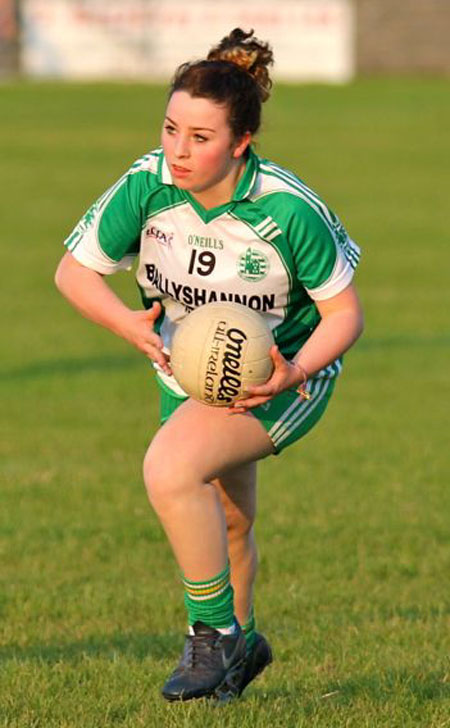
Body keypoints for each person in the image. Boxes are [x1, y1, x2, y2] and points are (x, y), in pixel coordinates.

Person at [55, 28, 364, 702]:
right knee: (226, 518)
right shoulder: (149, 184)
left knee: (170, 468)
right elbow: (72, 273)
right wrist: (129, 325)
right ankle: (239, 654)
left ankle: (213, 633)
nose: (179, 150)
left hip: (285, 373)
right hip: (190, 370)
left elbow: (346, 316)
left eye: (200, 137)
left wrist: (291, 371)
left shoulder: (286, 207)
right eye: (171, 129)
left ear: (241, 142)